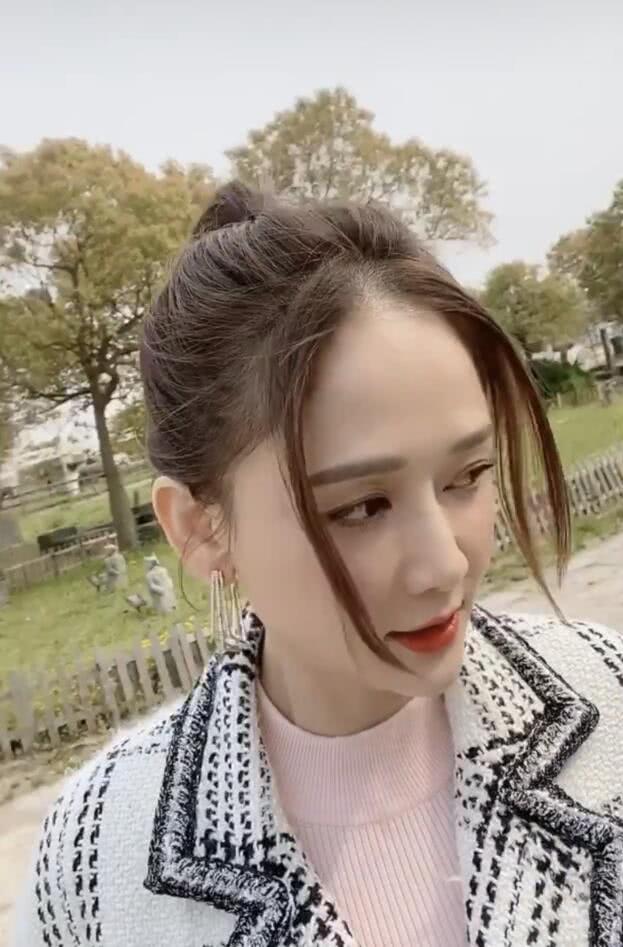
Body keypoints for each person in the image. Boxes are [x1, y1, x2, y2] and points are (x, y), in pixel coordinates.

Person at [13, 184, 623, 947]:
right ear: (201, 528)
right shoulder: (97, 856)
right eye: (360, 507)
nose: (443, 565)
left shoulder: (608, 701)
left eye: (467, 475)